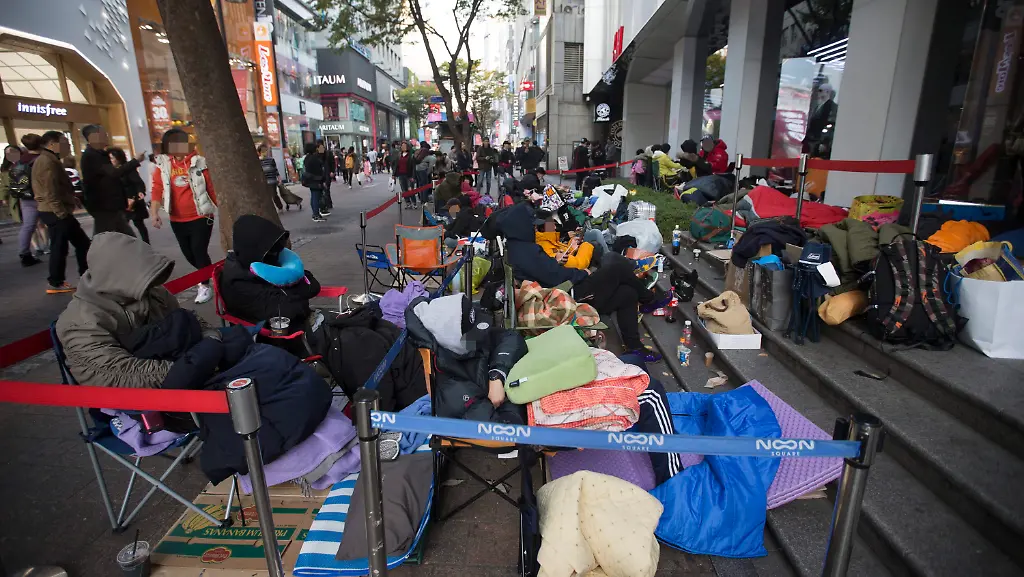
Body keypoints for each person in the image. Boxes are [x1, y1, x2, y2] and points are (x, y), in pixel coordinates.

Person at [495, 203, 670, 361]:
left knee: (627, 293)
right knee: (615, 266)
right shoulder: (526, 251)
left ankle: (634, 347)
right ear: (521, 226)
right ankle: (648, 299)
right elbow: (555, 276)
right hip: (565, 297)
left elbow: (548, 272)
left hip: (562, 292)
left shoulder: (519, 248)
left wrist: (566, 266)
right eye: (531, 225)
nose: (534, 228)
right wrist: (582, 274)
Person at [150, 128, 217, 304]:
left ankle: (204, 285)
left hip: (201, 217)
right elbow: (157, 189)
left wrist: (223, 210)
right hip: (177, 219)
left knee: (198, 250)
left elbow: (211, 188)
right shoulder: (163, 166)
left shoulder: (200, 163)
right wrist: (154, 213)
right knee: (189, 254)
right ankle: (214, 275)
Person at [218, 214, 321, 328]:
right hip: (266, 332)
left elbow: (312, 284)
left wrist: (292, 288)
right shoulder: (238, 280)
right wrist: (298, 289)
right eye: (270, 251)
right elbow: (290, 310)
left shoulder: (262, 260)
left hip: (291, 323)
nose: (275, 254)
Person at [32, 131, 91, 294]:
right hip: (55, 211)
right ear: (52, 144)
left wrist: (71, 199)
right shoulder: (47, 161)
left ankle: (78, 276)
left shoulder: (50, 159)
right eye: (65, 142)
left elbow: (57, 187)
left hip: (55, 210)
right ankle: (57, 281)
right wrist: (61, 212)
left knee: (71, 244)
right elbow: (50, 191)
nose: (68, 145)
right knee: (69, 245)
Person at [79, 124, 142, 236]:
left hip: (110, 205)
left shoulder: (98, 154)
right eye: (103, 134)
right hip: (104, 205)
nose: (106, 136)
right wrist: (135, 161)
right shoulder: (92, 155)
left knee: (123, 235)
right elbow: (113, 173)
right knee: (106, 236)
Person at [5, 135, 44, 266]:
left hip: (26, 198)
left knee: (28, 226)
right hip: (43, 197)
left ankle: (24, 253)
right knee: (56, 223)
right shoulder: (42, 159)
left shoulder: (19, 162)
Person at [108, 147, 149, 244]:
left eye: (112, 158)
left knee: (139, 224)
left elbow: (138, 182)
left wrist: (140, 192)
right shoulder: (113, 171)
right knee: (122, 225)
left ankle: (146, 243)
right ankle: (127, 245)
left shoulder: (128, 169)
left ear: (119, 158)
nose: (111, 160)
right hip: (122, 202)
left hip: (133, 201)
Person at [302, 141, 326, 222]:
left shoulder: (307, 158)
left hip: (310, 179)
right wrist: (322, 179)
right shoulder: (314, 158)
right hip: (316, 179)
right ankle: (316, 214)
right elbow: (319, 170)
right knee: (316, 197)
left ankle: (315, 213)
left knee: (314, 196)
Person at [258, 144, 283, 210]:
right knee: (266, 196)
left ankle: (280, 207)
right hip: (264, 181)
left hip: (272, 180)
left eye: (266, 150)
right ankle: (271, 209)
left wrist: (279, 179)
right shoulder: (258, 161)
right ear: (260, 152)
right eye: (263, 151)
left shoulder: (271, 159)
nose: (265, 152)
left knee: (274, 195)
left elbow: (275, 169)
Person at [413, 141, 435, 209]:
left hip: (417, 170)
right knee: (425, 186)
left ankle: (421, 199)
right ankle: (425, 200)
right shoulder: (428, 157)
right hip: (423, 171)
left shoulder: (418, 154)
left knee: (420, 185)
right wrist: (428, 172)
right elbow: (431, 165)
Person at [395, 141, 416, 209]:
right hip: (401, 174)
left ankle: (414, 203)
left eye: (405, 146)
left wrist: (413, 176)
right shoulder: (399, 155)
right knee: (404, 190)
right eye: (402, 146)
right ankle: (408, 203)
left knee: (410, 189)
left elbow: (413, 167)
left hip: (409, 175)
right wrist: (394, 174)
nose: (403, 147)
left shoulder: (411, 156)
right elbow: (396, 165)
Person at [317, 140, 335, 212]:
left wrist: (332, 171)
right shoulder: (317, 154)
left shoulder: (328, 153)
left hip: (326, 173)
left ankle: (327, 204)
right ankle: (327, 203)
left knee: (326, 189)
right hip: (322, 174)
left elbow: (332, 162)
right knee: (325, 189)